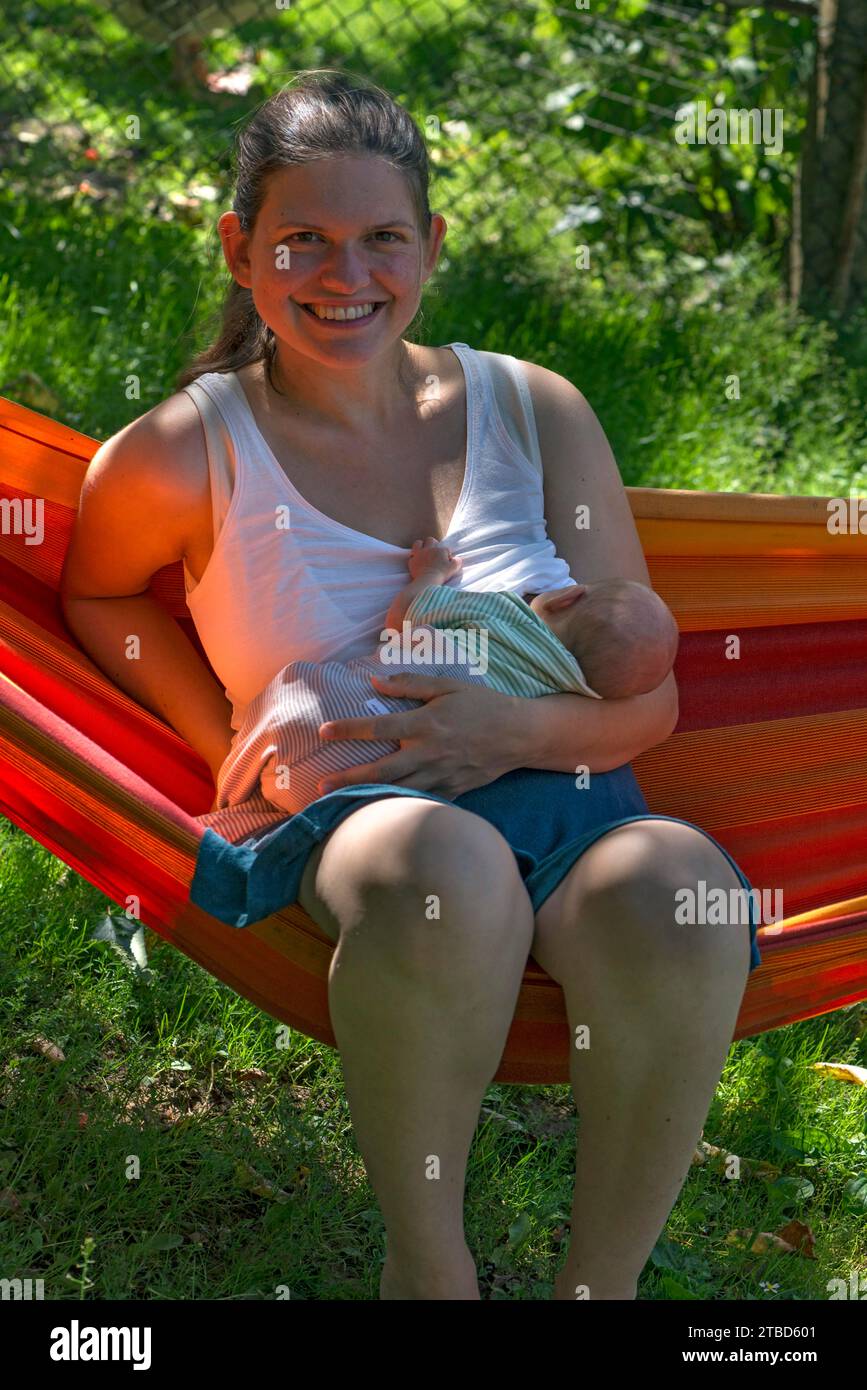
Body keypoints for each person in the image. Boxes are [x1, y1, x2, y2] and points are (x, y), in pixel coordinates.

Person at [60, 69, 761, 1302]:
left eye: (383, 238)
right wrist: (225, 722)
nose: (348, 276)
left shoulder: (532, 409)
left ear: (431, 243)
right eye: (305, 242)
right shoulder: (187, 448)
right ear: (239, 249)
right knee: (446, 870)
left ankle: (604, 1289)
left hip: (572, 792)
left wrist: (515, 729)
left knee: (683, 887)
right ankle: (428, 1277)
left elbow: (649, 691)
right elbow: (97, 593)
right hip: (371, 820)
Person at [203, 534, 682, 820]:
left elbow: (409, 616)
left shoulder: (504, 614)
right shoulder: (568, 696)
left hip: (326, 718)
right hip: (366, 798)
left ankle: (232, 786)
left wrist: (431, 573)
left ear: (565, 599)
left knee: (301, 683)